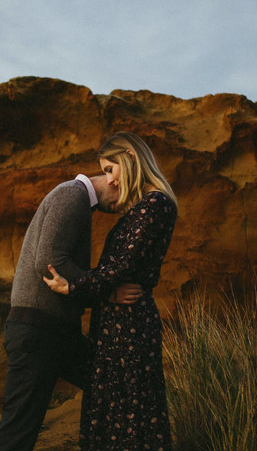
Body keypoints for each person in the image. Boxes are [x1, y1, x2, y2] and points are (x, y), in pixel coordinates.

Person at [44, 132, 178, 451]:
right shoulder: (142, 207)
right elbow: (113, 277)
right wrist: (104, 292)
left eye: (109, 169)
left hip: (129, 328)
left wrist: (72, 286)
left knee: (131, 416)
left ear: (130, 157)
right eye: (104, 172)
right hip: (117, 325)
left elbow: (120, 270)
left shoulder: (156, 204)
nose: (109, 180)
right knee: (114, 414)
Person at [0, 172, 145, 451]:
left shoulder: (78, 201)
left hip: (57, 332)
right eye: (123, 200)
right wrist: (107, 291)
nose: (120, 209)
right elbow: (49, 261)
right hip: (38, 330)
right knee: (18, 431)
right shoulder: (73, 195)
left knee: (111, 387)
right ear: (115, 181)